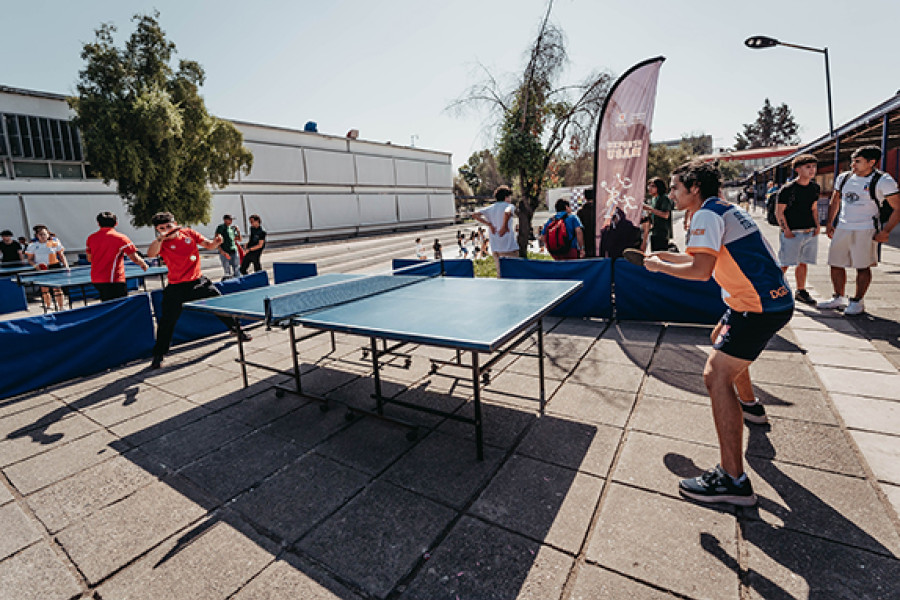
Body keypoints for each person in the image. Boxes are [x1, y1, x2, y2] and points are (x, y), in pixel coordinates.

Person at [643, 160, 793, 507]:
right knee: (718, 340)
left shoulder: (706, 216)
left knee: (715, 375)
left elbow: (700, 272)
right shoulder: (723, 209)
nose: (673, 193)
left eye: (677, 187)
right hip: (762, 300)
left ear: (694, 187)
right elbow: (701, 258)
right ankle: (751, 406)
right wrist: (663, 256)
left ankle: (732, 480)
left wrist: (660, 266)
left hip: (756, 307)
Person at [147, 212, 250, 370]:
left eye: (168, 226)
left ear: (175, 223)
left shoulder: (188, 233)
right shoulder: (161, 243)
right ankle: (159, 354)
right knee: (167, 321)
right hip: (176, 286)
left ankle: (236, 329)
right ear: (157, 230)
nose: (166, 229)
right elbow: (150, 254)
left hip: (198, 281)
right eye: (161, 228)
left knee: (220, 304)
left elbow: (208, 245)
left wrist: (216, 242)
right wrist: (161, 238)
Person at [818, 145, 900, 315]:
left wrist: (886, 231)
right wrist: (830, 223)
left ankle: (857, 301)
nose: (852, 165)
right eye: (852, 161)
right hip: (843, 227)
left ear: (871, 162)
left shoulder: (883, 181)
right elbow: (835, 200)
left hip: (866, 228)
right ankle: (838, 297)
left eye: (858, 162)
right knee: (835, 263)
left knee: (862, 266)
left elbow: (897, 208)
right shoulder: (844, 178)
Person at [774, 154, 821, 306]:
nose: (812, 170)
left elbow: (814, 208)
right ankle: (773, 288)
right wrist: (785, 229)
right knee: (785, 263)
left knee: (803, 263)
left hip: (809, 231)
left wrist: (817, 225)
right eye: (808, 167)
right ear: (798, 170)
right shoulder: (787, 189)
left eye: (813, 166)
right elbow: (779, 212)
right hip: (792, 232)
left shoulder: (815, 188)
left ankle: (801, 291)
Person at [85, 211, 149, 301]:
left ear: (98, 224)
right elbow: (134, 257)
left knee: (106, 304)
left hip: (96, 279)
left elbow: (89, 258)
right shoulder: (121, 238)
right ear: (116, 223)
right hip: (114, 279)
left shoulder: (91, 238)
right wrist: (143, 264)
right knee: (120, 306)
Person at [472, 186, 518, 275]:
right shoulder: (509, 206)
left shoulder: (490, 208)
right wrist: (504, 227)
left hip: (495, 247)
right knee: (513, 273)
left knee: (500, 273)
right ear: (506, 197)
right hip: (508, 246)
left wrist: (489, 224)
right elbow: (507, 211)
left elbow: (474, 215)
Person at [25, 225, 69, 309]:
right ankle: (48, 306)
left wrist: (66, 266)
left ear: (48, 234)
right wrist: (36, 266)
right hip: (41, 269)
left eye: (45, 234)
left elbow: (61, 255)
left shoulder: (55, 242)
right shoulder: (32, 245)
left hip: (54, 266)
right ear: (37, 236)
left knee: (57, 288)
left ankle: (61, 307)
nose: (43, 236)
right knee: (44, 289)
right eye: (41, 234)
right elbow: (30, 259)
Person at [644, 177, 675, 252]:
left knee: (661, 255)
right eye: (649, 186)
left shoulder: (664, 198)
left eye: (653, 186)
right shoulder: (653, 199)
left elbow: (665, 215)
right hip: (654, 232)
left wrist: (650, 209)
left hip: (662, 233)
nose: (650, 188)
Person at [214, 214, 242, 280]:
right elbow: (217, 239)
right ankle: (229, 281)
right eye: (229, 219)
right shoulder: (221, 227)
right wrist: (221, 250)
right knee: (227, 269)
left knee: (236, 268)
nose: (231, 221)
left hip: (233, 250)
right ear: (225, 220)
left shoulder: (231, 229)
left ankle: (238, 280)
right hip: (225, 251)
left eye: (231, 220)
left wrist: (238, 231)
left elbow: (239, 239)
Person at [576, 189, 597, 258]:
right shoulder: (599, 210)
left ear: (585, 197)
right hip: (598, 243)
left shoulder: (580, 212)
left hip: (586, 243)